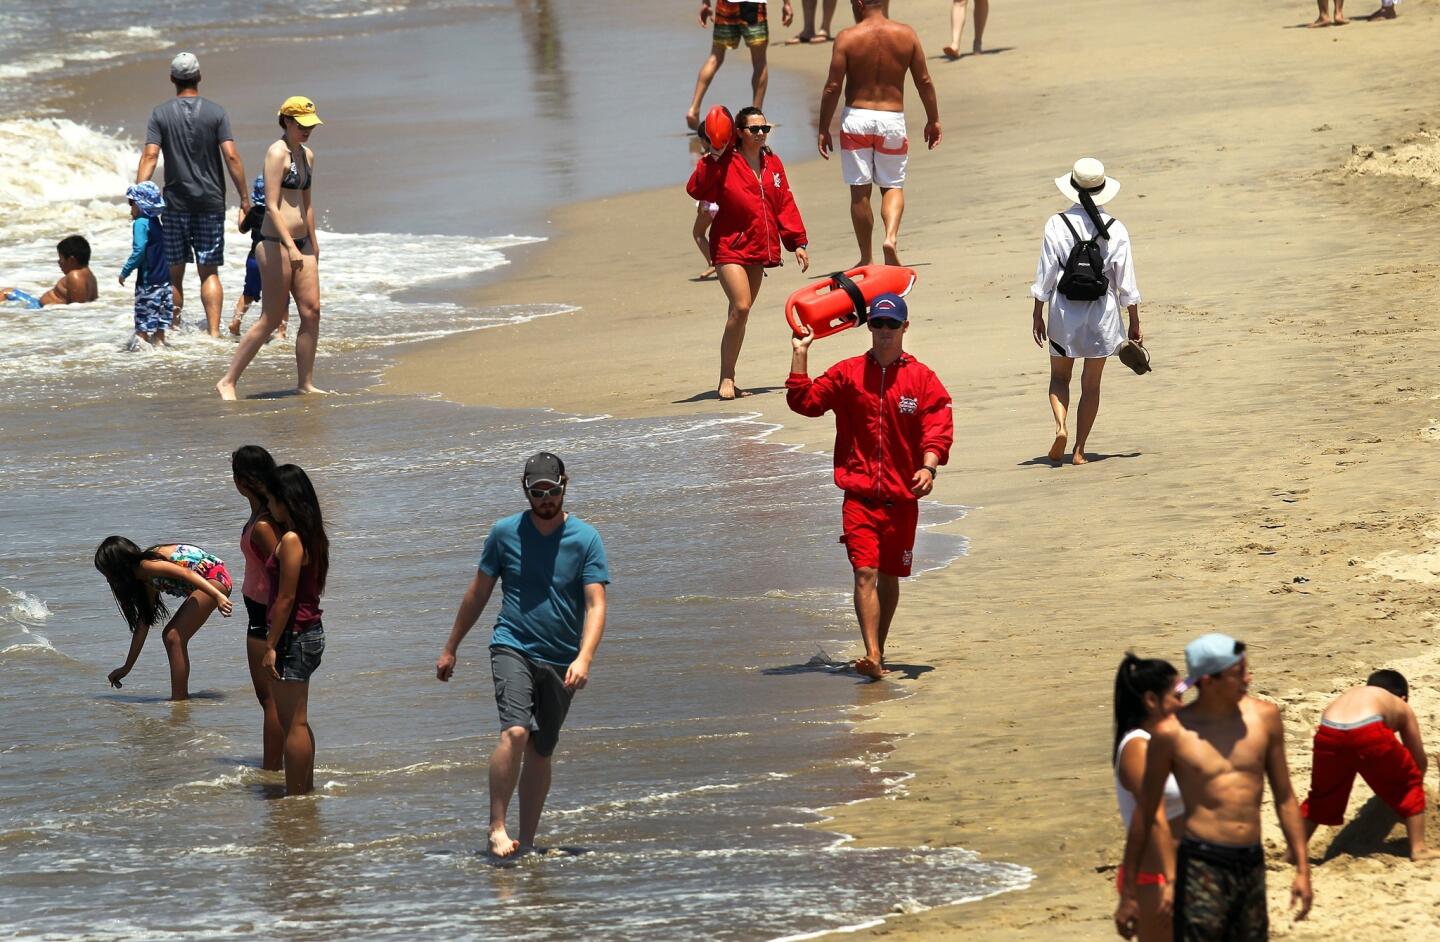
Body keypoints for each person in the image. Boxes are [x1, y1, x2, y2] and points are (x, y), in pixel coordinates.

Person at [435, 452, 610, 858]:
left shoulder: (586, 539)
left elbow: (596, 604)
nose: (546, 499)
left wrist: (584, 657)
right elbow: (478, 592)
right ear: (525, 490)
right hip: (511, 643)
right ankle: (496, 826)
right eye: (537, 492)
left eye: (552, 491)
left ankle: (526, 842)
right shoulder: (504, 533)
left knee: (541, 748)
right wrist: (451, 647)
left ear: (565, 483)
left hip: (563, 657)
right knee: (514, 731)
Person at [785, 293, 953, 679]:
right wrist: (800, 354)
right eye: (877, 324)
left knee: (890, 575)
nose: (884, 332)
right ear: (870, 327)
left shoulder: (922, 378)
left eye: (892, 325)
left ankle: (881, 646)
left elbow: (938, 428)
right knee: (865, 573)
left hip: (902, 498)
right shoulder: (847, 374)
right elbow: (805, 402)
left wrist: (929, 468)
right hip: (858, 496)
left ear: (904, 328)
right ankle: (873, 654)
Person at [1115, 633, 1313, 941]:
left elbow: (1285, 797)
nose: (1248, 678)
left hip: (1251, 859)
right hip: (1201, 862)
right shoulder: (1172, 733)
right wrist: (1128, 894)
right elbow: (1147, 814)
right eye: (1238, 673)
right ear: (1207, 681)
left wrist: (1302, 867)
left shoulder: (1265, 718)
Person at [686, 106, 810, 400]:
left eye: (765, 129)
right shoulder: (724, 162)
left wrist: (798, 242)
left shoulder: (773, 163)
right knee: (740, 306)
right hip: (729, 245)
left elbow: (784, 203)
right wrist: (713, 158)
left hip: (758, 245)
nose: (761, 134)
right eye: (755, 129)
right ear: (739, 133)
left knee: (740, 314)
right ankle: (726, 379)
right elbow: (697, 189)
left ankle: (730, 375)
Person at [1029, 158, 1142, 466]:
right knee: (1091, 385)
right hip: (1101, 315)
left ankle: (1060, 426)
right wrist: (1134, 321)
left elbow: (1046, 274)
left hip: (1065, 312)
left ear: (1073, 188)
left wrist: (1038, 312)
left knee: (1059, 377)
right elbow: (1126, 283)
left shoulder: (1056, 223)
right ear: (1103, 189)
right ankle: (1079, 450)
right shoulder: (1116, 229)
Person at [817, 0, 941, 267]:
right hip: (891, 119)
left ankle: (865, 257)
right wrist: (933, 119)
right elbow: (924, 81)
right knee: (892, 185)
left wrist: (824, 127)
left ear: (859, 3)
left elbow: (832, 86)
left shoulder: (847, 37)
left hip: (856, 120)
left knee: (859, 192)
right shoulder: (906, 34)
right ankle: (891, 238)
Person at [216, 97, 324, 400]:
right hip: (275, 243)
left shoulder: (307, 155)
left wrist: (313, 245)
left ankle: (306, 382)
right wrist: (290, 246)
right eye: (302, 125)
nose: (307, 130)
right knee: (272, 317)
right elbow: (273, 207)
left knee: (312, 311)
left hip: (301, 244)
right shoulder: (277, 153)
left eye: (311, 125)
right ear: (287, 122)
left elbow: (308, 203)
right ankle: (228, 381)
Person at [136, 52, 250, 337]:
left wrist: (139, 197)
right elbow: (232, 156)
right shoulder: (216, 112)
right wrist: (245, 199)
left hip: (175, 203)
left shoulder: (160, 114)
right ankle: (213, 333)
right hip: (210, 202)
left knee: (175, 273)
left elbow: (150, 155)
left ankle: (173, 330)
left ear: (172, 79)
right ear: (199, 76)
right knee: (208, 271)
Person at [1299, 670, 1437, 861]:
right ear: (1403, 697)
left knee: (1322, 796)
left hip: (1328, 729)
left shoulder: (1352, 696)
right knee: (1409, 779)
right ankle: (1419, 849)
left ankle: (1292, 854)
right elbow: (1418, 759)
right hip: (1368, 729)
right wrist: (1415, 788)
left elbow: (1350, 748)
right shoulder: (1400, 705)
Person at [94, 537, 234, 701]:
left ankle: (179, 700)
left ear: (118, 567)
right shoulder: (144, 578)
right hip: (210, 583)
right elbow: (143, 624)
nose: (108, 580)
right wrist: (127, 667)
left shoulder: (147, 565)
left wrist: (218, 596)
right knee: (172, 636)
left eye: (107, 574)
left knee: (173, 636)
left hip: (214, 580)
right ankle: (180, 697)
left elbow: (186, 573)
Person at [261, 464, 329, 797]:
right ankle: (304, 790)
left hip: (295, 636)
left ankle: (298, 796)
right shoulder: (311, 534)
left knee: (294, 722)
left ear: (285, 500)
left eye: (272, 499)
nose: (269, 507)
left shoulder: (291, 539)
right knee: (296, 721)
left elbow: (286, 598)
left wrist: (271, 643)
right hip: (307, 633)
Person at [1112, 654, 1186, 942]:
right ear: (1151, 701)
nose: (1183, 703)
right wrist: (1171, 879)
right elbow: (1153, 816)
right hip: (1155, 882)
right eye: (1177, 696)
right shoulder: (1136, 749)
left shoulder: (1166, 743)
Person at [232, 445, 283, 772]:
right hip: (260, 615)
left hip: (265, 620)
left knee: (271, 702)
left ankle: (272, 771)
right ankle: (276, 767)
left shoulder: (263, 524)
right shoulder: (260, 515)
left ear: (242, 481)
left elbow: (283, 572)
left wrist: (275, 636)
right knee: (271, 702)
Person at [685, 0, 794, 130]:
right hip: (753, 6)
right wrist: (786, 3)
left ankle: (694, 108)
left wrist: (706, 3)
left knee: (715, 57)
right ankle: (756, 118)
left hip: (725, 5)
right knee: (759, 62)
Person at [230, 175, 286, 339]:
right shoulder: (279, 213)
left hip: (254, 258)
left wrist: (242, 211)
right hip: (275, 258)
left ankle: (236, 322)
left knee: (248, 292)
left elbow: (242, 229)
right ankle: (281, 331)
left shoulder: (254, 212)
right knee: (281, 294)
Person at [118, 183, 172, 348]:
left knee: (142, 327)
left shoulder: (141, 223)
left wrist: (125, 272)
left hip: (149, 284)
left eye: (131, 203)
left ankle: (141, 363)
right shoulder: (155, 221)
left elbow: (139, 251)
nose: (130, 208)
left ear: (141, 204)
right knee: (159, 330)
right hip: (166, 283)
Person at [1, 236, 97, 308]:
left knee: (7, 292)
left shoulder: (75, 276)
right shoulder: (90, 276)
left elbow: (76, 308)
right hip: (45, 310)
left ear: (71, 260)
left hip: (39, 309)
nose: (59, 262)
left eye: (61, 258)